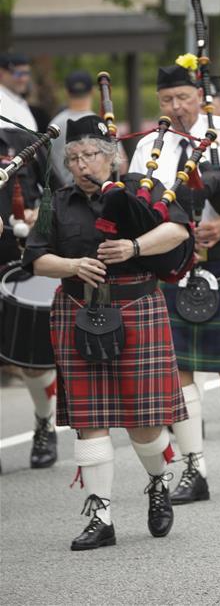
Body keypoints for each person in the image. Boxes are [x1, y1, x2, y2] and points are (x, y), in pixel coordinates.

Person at [23, 115, 191, 549]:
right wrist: (73, 266)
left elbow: (176, 231)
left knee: (145, 425)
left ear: (112, 156)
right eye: (73, 157)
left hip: (137, 305)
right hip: (79, 308)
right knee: (88, 421)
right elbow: (37, 258)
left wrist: (133, 247)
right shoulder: (52, 203)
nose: (81, 164)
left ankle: (157, 481)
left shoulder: (143, 187)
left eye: (90, 155)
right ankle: (101, 515)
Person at [128, 58, 220, 502]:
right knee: (178, 371)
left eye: (184, 98)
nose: (176, 108)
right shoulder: (150, 147)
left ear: (202, 95)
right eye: (167, 100)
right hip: (173, 262)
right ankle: (194, 468)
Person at [0, 119, 58, 469]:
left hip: (18, 259)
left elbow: (61, 194)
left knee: (31, 363)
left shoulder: (22, 140)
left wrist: (42, 218)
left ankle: (44, 421)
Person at [48, 71, 94, 188]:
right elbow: (120, 164)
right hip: (94, 192)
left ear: (66, 92)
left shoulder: (55, 124)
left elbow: (46, 162)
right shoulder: (99, 123)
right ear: (92, 91)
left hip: (61, 194)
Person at [0, 54, 37, 132]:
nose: (23, 79)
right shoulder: (2, 99)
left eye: (26, 73)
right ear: (1, 74)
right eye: (17, 74)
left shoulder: (18, 99)